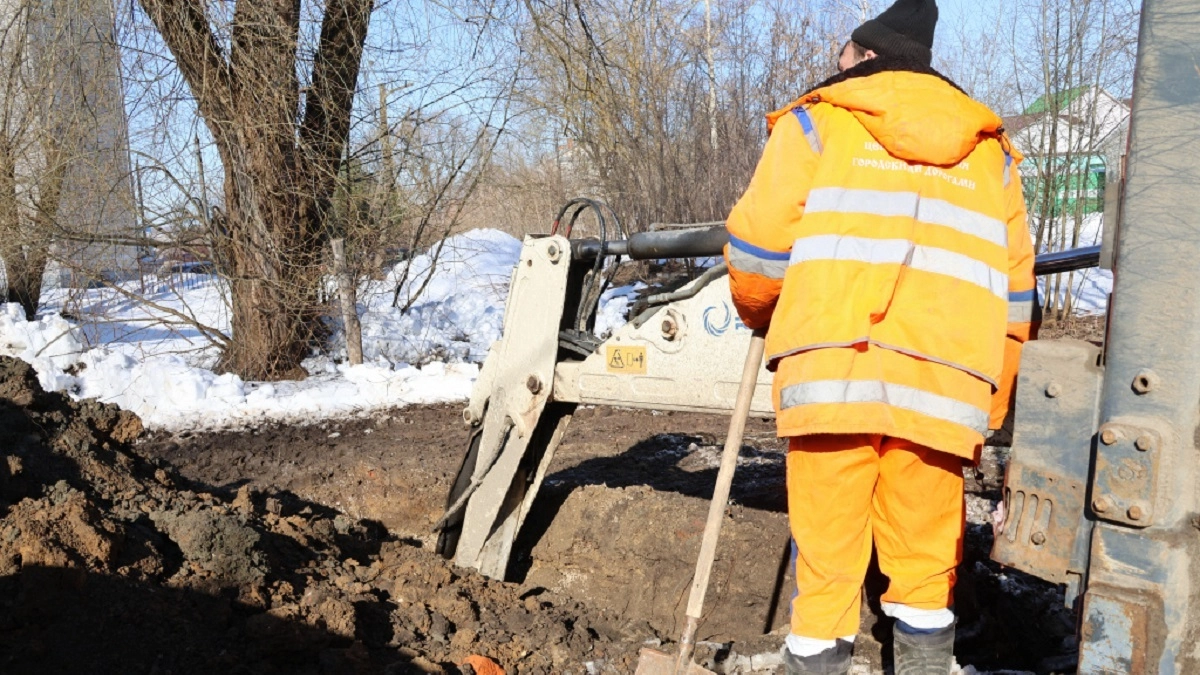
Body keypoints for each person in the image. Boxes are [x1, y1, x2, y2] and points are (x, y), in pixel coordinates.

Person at [722, 0, 1039, 673]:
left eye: (844, 58)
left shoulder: (817, 123)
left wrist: (761, 313)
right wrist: (993, 404)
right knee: (926, 570)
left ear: (867, 56)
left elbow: (755, 249)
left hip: (833, 369)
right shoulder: (993, 157)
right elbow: (1016, 302)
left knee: (829, 563)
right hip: (944, 391)